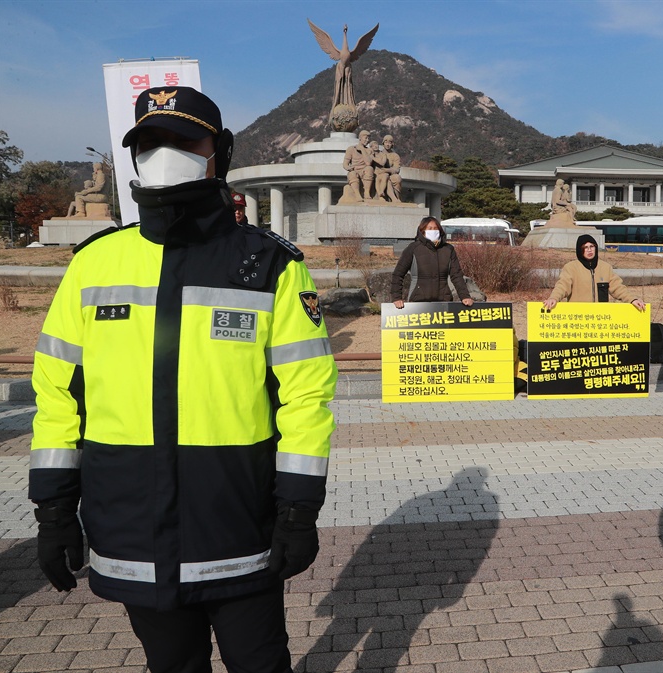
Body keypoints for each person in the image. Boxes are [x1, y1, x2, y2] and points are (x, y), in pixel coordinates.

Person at [29, 86, 338, 673]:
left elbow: (306, 397)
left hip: (238, 523)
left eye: (183, 139)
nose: (165, 152)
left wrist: (299, 510)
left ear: (218, 150)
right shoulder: (94, 263)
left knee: (262, 664)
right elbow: (56, 395)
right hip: (129, 522)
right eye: (150, 141)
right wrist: (52, 510)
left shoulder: (270, 264)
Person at [542, 234, 646, 311]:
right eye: (585, 248)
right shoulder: (571, 268)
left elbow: (618, 288)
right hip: (578, 315)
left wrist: (632, 299)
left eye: (592, 246)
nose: (589, 250)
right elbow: (562, 286)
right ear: (580, 250)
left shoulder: (605, 267)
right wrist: (554, 298)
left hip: (600, 317)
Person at [391, 216, 474, 308]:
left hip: (443, 300)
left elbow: (457, 275)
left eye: (435, 228)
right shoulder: (413, 248)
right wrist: (396, 297)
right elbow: (398, 274)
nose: (433, 231)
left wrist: (465, 296)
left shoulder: (448, 249)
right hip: (418, 300)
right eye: (429, 228)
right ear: (422, 231)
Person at [343, 130, 373, 201]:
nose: (367, 140)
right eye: (365, 138)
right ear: (360, 138)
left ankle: (367, 192)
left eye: (368, 139)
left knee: (369, 168)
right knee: (352, 174)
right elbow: (345, 164)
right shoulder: (351, 149)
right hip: (355, 170)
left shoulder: (369, 150)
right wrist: (349, 168)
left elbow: (368, 163)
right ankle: (357, 194)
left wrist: (362, 149)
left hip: (364, 171)